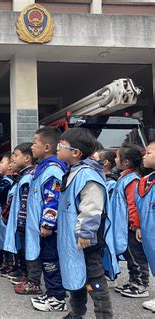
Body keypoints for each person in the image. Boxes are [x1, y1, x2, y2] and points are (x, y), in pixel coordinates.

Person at [56, 128, 116, 319]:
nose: (58, 148)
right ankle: (76, 313)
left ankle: (104, 315)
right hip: (73, 239)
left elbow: (92, 208)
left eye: (61, 146)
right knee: (75, 276)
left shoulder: (87, 175)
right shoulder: (73, 171)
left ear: (75, 152)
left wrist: (85, 233)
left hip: (86, 241)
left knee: (94, 280)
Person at [24, 127, 67, 312]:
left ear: (47, 146)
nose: (32, 147)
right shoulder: (42, 168)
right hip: (40, 227)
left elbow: (53, 198)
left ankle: (57, 297)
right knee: (47, 260)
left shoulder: (53, 170)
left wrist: (48, 224)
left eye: (35, 142)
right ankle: (51, 292)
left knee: (51, 262)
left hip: (49, 229)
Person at [111, 144, 149, 298]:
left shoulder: (132, 180)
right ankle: (133, 280)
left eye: (117, 156)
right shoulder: (125, 177)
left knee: (136, 256)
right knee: (129, 255)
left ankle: (141, 285)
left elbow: (134, 204)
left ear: (126, 161)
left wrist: (136, 225)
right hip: (125, 225)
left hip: (131, 226)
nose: (114, 159)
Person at [3, 143, 35, 285]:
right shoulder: (24, 176)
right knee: (22, 250)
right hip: (21, 223)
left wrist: (21, 223)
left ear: (27, 158)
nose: (13, 159)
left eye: (16, 155)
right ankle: (25, 275)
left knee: (27, 251)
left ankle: (31, 279)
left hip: (25, 223)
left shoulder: (29, 176)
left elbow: (25, 202)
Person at [136, 140, 155, 313]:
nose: (144, 156)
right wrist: (139, 226)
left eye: (149, 153)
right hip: (149, 229)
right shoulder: (145, 181)